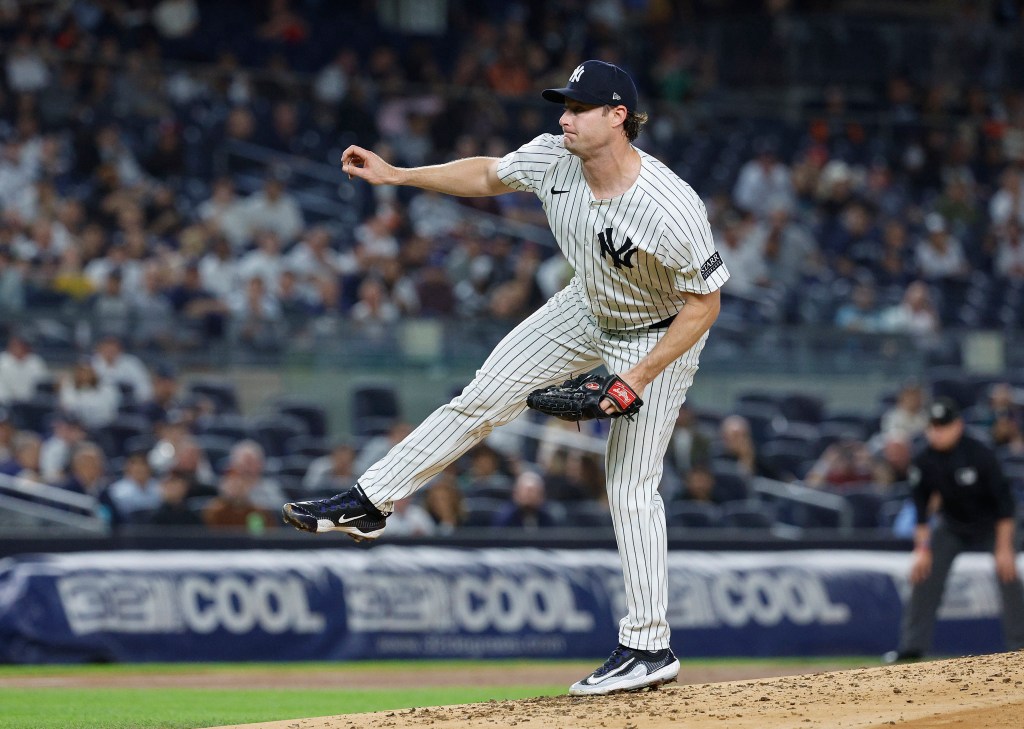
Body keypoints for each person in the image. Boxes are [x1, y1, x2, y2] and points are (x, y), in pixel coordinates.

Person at [282, 60, 727, 695]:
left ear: (618, 116)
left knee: (629, 482)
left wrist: (630, 382)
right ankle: (371, 502)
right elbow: (489, 172)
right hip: (587, 305)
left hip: (661, 332)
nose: (564, 116)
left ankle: (649, 647)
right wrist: (400, 175)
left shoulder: (669, 205)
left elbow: (704, 305)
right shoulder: (553, 157)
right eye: (563, 105)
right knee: (482, 397)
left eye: (579, 107)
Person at [884, 398, 1024, 663]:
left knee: (1008, 574)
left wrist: (1005, 548)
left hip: (993, 524)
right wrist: (922, 550)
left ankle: (1020, 647)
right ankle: (911, 649)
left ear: (957, 426)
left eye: (943, 426)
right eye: (933, 427)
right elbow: (922, 513)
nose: (938, 432)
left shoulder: (980, 452)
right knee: (923, 574)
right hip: (953, 526)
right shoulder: (925, 460)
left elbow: (1006, 505)